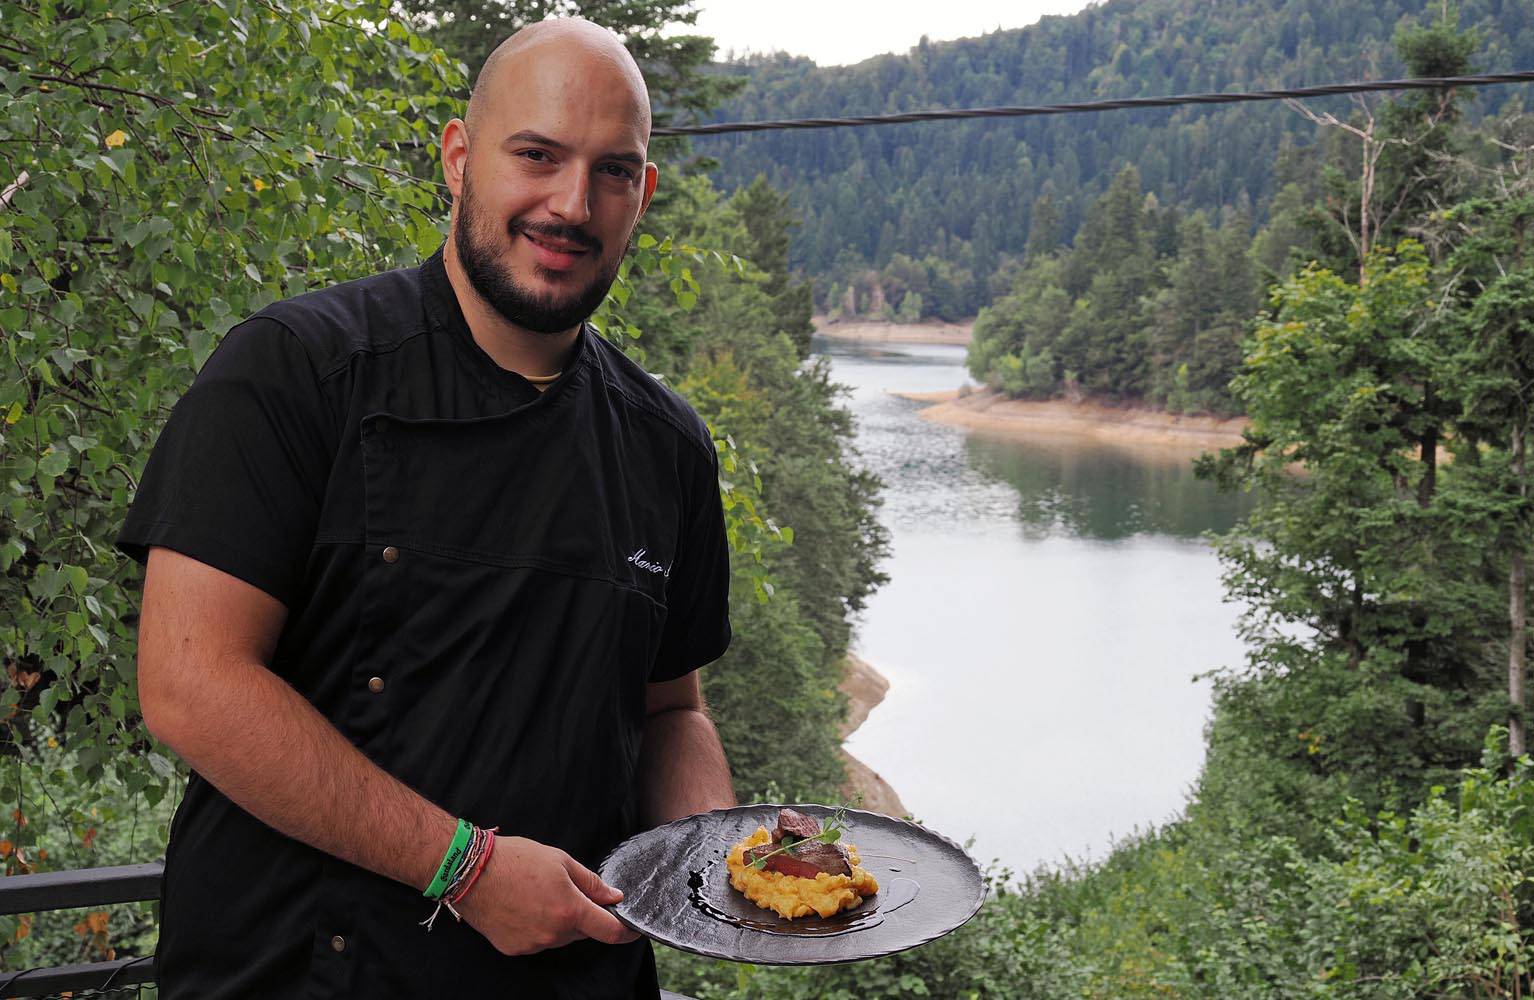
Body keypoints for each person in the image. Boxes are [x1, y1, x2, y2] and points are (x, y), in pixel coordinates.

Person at [117, 17, 736, 998]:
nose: (572, 203)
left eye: (613, 172)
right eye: (536, 155)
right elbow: (191, 682)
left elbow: (670, 711)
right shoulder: (294, 371)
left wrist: (718, 857)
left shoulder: (666, 446)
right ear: (458, 157)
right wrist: (468, 868)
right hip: (299, 975)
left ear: (642, 195)